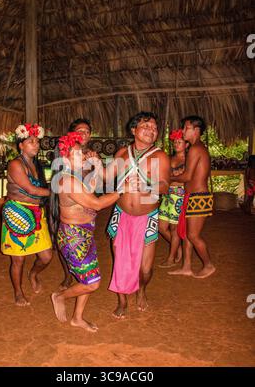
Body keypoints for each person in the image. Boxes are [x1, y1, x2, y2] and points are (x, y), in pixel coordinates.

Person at [50, 132, 122, 333]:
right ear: (64, 159)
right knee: (92, 283)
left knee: (87, 278)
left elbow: (95, 186)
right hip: (73, 237)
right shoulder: (68, 181)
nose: (82, 156)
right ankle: (60, 296)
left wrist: (97, 165)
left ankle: (77, 318)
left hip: (84, 234)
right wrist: (122, 191)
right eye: (77, 154)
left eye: (81, 153)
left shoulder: (77, 176)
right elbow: (97, 203)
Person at [107, 111, 170, 318]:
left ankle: (141, 290)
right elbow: (106, 180)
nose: (151, 131)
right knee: (120, 263)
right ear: (133, 130)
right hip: (121, 214)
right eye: (146, 126)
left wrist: (146, 184)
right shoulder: (121, 153)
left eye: (154, 128)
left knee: (145, 269)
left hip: (147, 217)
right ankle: (122, 301)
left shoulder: (160, 155)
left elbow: (164, 186)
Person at [1, 123, 52, 306]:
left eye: (37, 141)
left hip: (37, 213)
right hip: (17, 213)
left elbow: (39, 190)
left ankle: (34, 273)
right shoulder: (15, 164)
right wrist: (59, 191)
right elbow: (31, 190)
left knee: (46, 256)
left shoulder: (36, 165)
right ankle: (18, 292)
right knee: (18, 260)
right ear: (21, 145)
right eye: (31, 141)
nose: (36, 145)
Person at [49, 118, 101, 291]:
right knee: (67, 241)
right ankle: (69, 274)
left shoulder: (91, 156)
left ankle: (77, 275)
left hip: (84, 209)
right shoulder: (67, 153)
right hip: (69, 208)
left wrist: (97, 165)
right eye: (80, 130)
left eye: (87, 131)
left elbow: (96, 183)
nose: (83, 134)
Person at [168, 115, 216, 279]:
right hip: (193, 196)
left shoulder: (196, 149)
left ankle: (208, 265)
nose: (183, 131)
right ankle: (187, 267)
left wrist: (168, 179)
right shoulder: (196, 148)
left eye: (186, 128)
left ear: (196, 130)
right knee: (187, 233)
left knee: (193, 235)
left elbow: (187, 177)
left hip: (198, 197)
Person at [158, 129, 187, 267]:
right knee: (161, 227)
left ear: (186, 145)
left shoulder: (189, 159)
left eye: (180, 142)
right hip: (167, 194)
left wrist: (170, 177)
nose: (176, 144)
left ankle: (171, 258)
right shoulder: (169, 158)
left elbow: (186, 178)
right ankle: (178, 247)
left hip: (180, 195)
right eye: (175, 141)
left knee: (175, 229)